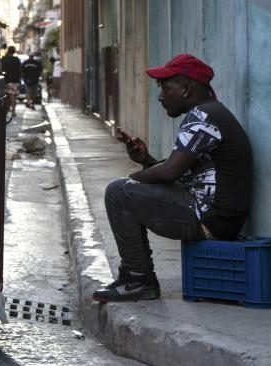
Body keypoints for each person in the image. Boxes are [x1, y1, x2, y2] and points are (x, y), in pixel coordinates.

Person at [92, 54, 252, 303]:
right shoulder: (210, 113)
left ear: (186, 89)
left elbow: (169, 173)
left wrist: (133, 177)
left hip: (211, 217)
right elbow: (177, 173)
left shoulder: (202, 117)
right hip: (216, 214)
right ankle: (134, 276)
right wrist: (146, 160)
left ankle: (138, 279)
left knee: (118, 191)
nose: (161, 96)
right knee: (126, 191)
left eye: (166, 88)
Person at [0, 46, 21, 117]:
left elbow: (1, 69)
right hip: (16, 80)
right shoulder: (17, 60)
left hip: (8, 80)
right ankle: (13, 110)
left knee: (8, 96)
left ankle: (9, 110)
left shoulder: (5, 59)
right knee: (13, 96)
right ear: (14, 51)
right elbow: (20, 71)